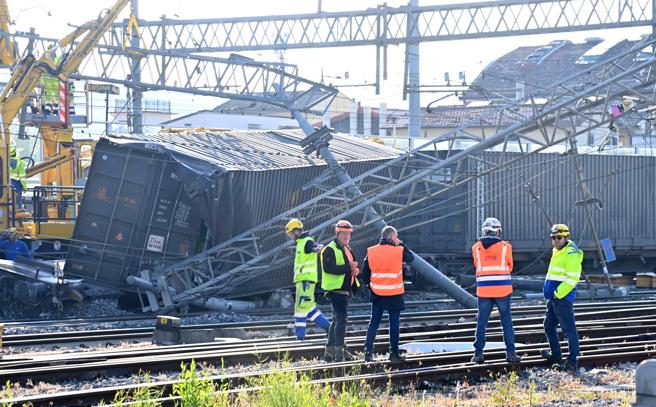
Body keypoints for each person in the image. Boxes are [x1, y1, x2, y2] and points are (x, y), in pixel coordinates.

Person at [471, 217, 521, 364]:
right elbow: (510, 266)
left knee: (482, 323)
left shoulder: (476, 248)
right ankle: (511, 354)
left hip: (484, 291)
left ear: (484, 231)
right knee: (506, 322)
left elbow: (476, 265)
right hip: (502, 291)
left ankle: (478, 354)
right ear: (498, 231)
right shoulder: (506, 247)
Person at [362, 225, 413, 363]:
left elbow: (365, 276)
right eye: (396, 236)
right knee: (394, 324)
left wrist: (373, 286)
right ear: (391, 237)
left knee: (374, 323)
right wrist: (401, 244)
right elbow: (411, 258)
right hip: (394, 294)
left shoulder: (371, 251)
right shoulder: (399, 250)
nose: (397, 239)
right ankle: (393, 353)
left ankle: (367, 352)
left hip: (377, 294)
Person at [541, 224, 583, 373]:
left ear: (566, 237)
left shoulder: (570, 254)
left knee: (569, 330)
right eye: (553, 238)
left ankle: (572, 361)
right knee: (548, 326)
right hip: (554, 298)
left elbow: (573, 279)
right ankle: (556, 356)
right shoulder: (558, 251)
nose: (556, 240)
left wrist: (558, 293)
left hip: (562, 298)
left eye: (559, 237)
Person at [320, 219, 359, 362]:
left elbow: (348, 267)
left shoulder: (347, 248)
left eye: (349, 234)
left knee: (337, 320)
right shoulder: (330, 249)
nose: (347, 237)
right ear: (337, 233)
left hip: (345, 291)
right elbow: (329, 269)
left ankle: (329, 351)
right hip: (336, 291)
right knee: (341, 320)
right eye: (344, 234)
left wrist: (354, 271)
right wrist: (349, 267)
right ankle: (339, 353)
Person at [284, 218, 330, 340]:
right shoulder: (301, 242)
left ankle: (299, 337)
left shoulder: (306, 241)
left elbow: (316, 247)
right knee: (309, 309)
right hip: (304, 281)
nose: (290, 236)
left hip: (305, 281)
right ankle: (329, 328)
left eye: (290, 234)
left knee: (300, 309)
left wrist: (321, 249)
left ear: (295, 231)